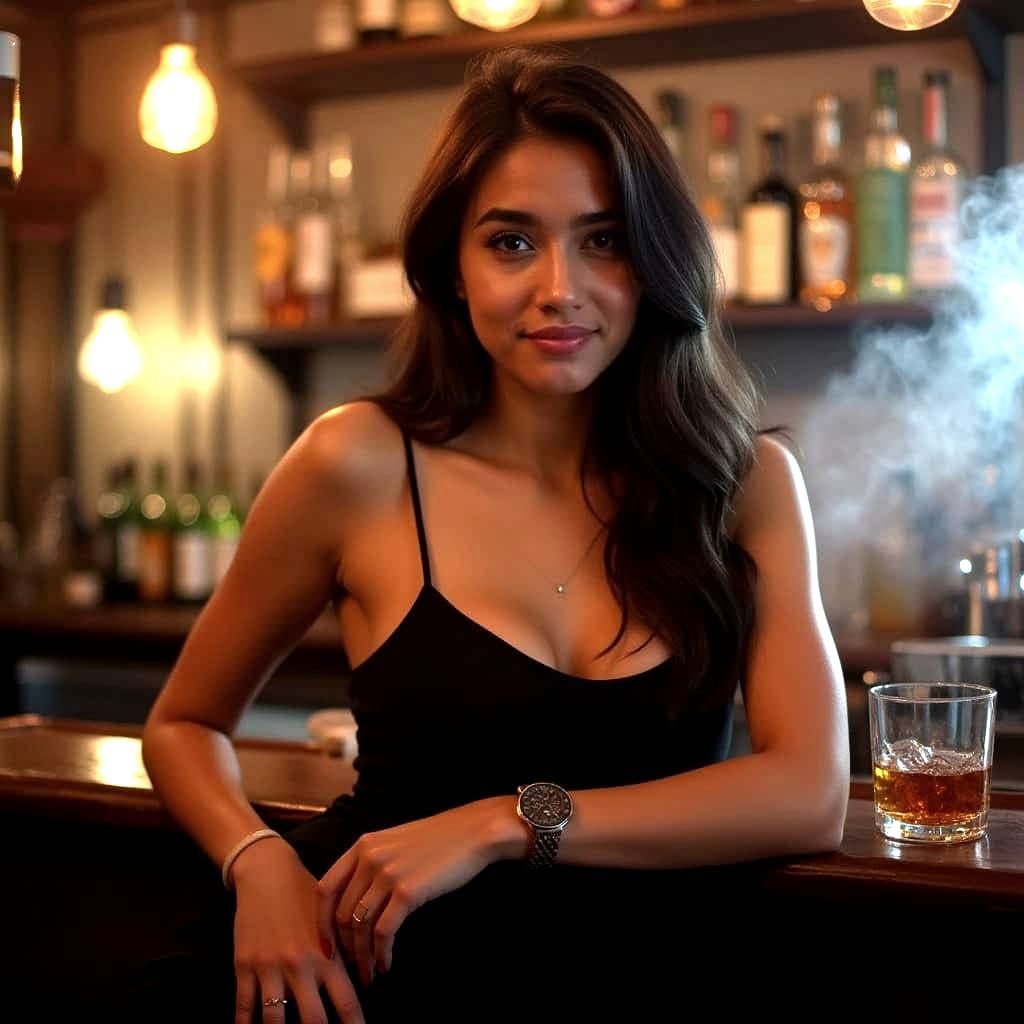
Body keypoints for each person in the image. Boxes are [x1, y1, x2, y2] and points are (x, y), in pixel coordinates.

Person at [134, 44, 849, 1023]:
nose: (560, 287)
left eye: (603, 240)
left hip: (641, 981)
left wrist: (507, 819)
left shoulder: (744, 483)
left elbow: (809, 790)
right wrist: (256, 864)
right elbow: (183, 724)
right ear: (449, 269)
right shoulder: (356, 462)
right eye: (511, 242)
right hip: (359, 980)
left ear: (655, 261)